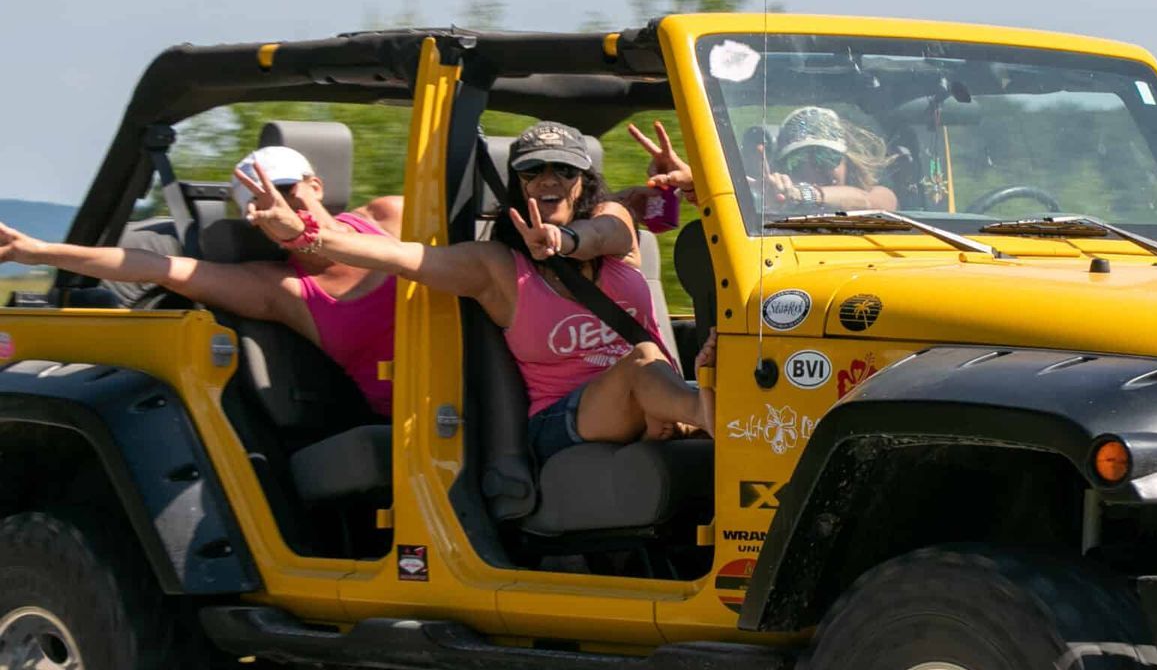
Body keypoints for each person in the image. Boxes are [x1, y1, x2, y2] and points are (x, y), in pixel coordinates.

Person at [237, 121, 711, 462]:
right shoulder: (494, 267)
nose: (549, 180)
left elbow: (606, 231)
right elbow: (401, 258)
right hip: (565, 422)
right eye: (533, 171)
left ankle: (683, 418)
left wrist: (563, 241)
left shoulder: (614, 224)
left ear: (583, 182)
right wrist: (301, 232)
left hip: (655, 392)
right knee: (645, 359)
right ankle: (718, 423)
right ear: (516, 184)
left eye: (564, 170)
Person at [0, 145, 405, 416]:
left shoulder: (391, 218)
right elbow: (153, 266)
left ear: (316, 185)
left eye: (283, 190)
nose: (276, 206)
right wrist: (34, 251)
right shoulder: (280, 290)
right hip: (413, 416)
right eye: (259, 203)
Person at [758, 106, 899, 213]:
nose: (811, 172)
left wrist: (803, 194)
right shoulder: (772, 207)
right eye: (796, 162)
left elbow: (871, 202)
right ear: (782, 170)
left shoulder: (873, 194)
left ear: (848, 163)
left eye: (825, 157)